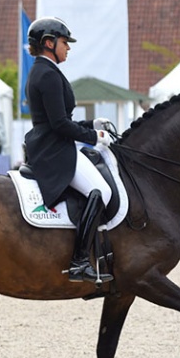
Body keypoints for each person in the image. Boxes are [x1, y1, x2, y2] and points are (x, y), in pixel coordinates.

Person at [24, 16, 115, 285]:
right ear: (48, 43)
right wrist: (94, 136)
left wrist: (91, 123)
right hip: (54, 150)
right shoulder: (47, 74)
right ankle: (79, 262)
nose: (68, 48)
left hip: (53, 143)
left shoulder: (44, 70)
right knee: (101, 192)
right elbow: (59, 124)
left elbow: (60, 118)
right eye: (65, 42)